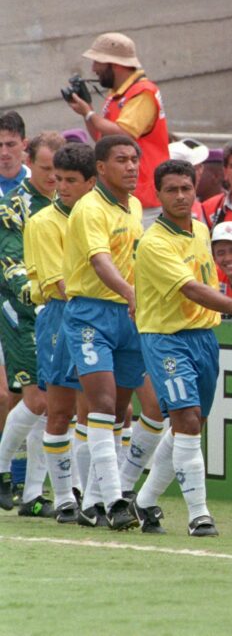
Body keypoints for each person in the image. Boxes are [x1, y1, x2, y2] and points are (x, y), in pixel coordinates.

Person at [131, 159, 232, 536]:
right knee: (187, 419)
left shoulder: (200, 229)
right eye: (171, 190)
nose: (180, 196)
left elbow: (208, 285)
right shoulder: (153, 242)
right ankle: (199, 514)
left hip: (203, 338)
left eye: (186, 188)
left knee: (191, 424)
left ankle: (145, 502)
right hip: (166, 338)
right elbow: (193, 289)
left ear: (195, 188)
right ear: (159, 194)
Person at [59, 135, 146, 530]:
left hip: (127, 317)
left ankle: (92, 501)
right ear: (100, 168)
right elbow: (100, 262)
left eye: (135, 159)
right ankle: (114, 501)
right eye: (122, 160)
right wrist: (131, 292)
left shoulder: (135, 206)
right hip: (91, 313)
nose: (131, 167)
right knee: (104, 402)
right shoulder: (89, 208)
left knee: (121, 408)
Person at [24, 143, 95, 523]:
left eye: (70, 180)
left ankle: (94, 494)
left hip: (103, 312)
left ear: (90, 183)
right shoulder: (43, 223)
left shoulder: (102, 214)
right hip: (63, 314)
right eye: (58, 179)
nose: (60, 186)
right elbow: (63, 285)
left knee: (105, 409)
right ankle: (65, 496)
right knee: (60, 410)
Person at [0, 132, 64, 516]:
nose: (55, 178)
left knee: (54, 403)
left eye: (62, 171)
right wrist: (42, 296)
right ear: (31, 161)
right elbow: (10, 266)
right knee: (37, 400)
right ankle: (3, 467)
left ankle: (33, 494)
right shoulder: (13, 206)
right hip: (21, 310)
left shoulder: (70, 203)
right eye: (46, 170)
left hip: (57, 310)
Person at [65, 33, 169, 227]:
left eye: (98, 62)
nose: (94, 69)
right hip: (123, 194)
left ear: (115, 64)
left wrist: (89, 113)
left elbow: (124, 135)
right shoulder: (118, 95)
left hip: (144, 198)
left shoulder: (143, 92)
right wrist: (86, 111)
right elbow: (102, 138)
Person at [0, 111, 29, 195]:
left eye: (10, 145)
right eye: (0, 145)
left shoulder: (39, 183)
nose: (4, 152)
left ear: (24, 144)